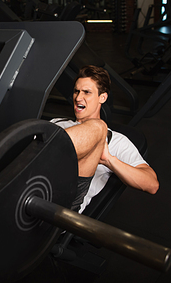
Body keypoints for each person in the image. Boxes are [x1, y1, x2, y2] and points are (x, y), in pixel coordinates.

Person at [51, 65, 159, 213]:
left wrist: (108, 159)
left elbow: (151, 185)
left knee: (98, 127)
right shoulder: (57, 122)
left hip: (59, 205)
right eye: (76, 91)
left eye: (86, 92)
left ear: (103, 97)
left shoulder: (114, 140)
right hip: (31, 182)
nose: (78, 97)